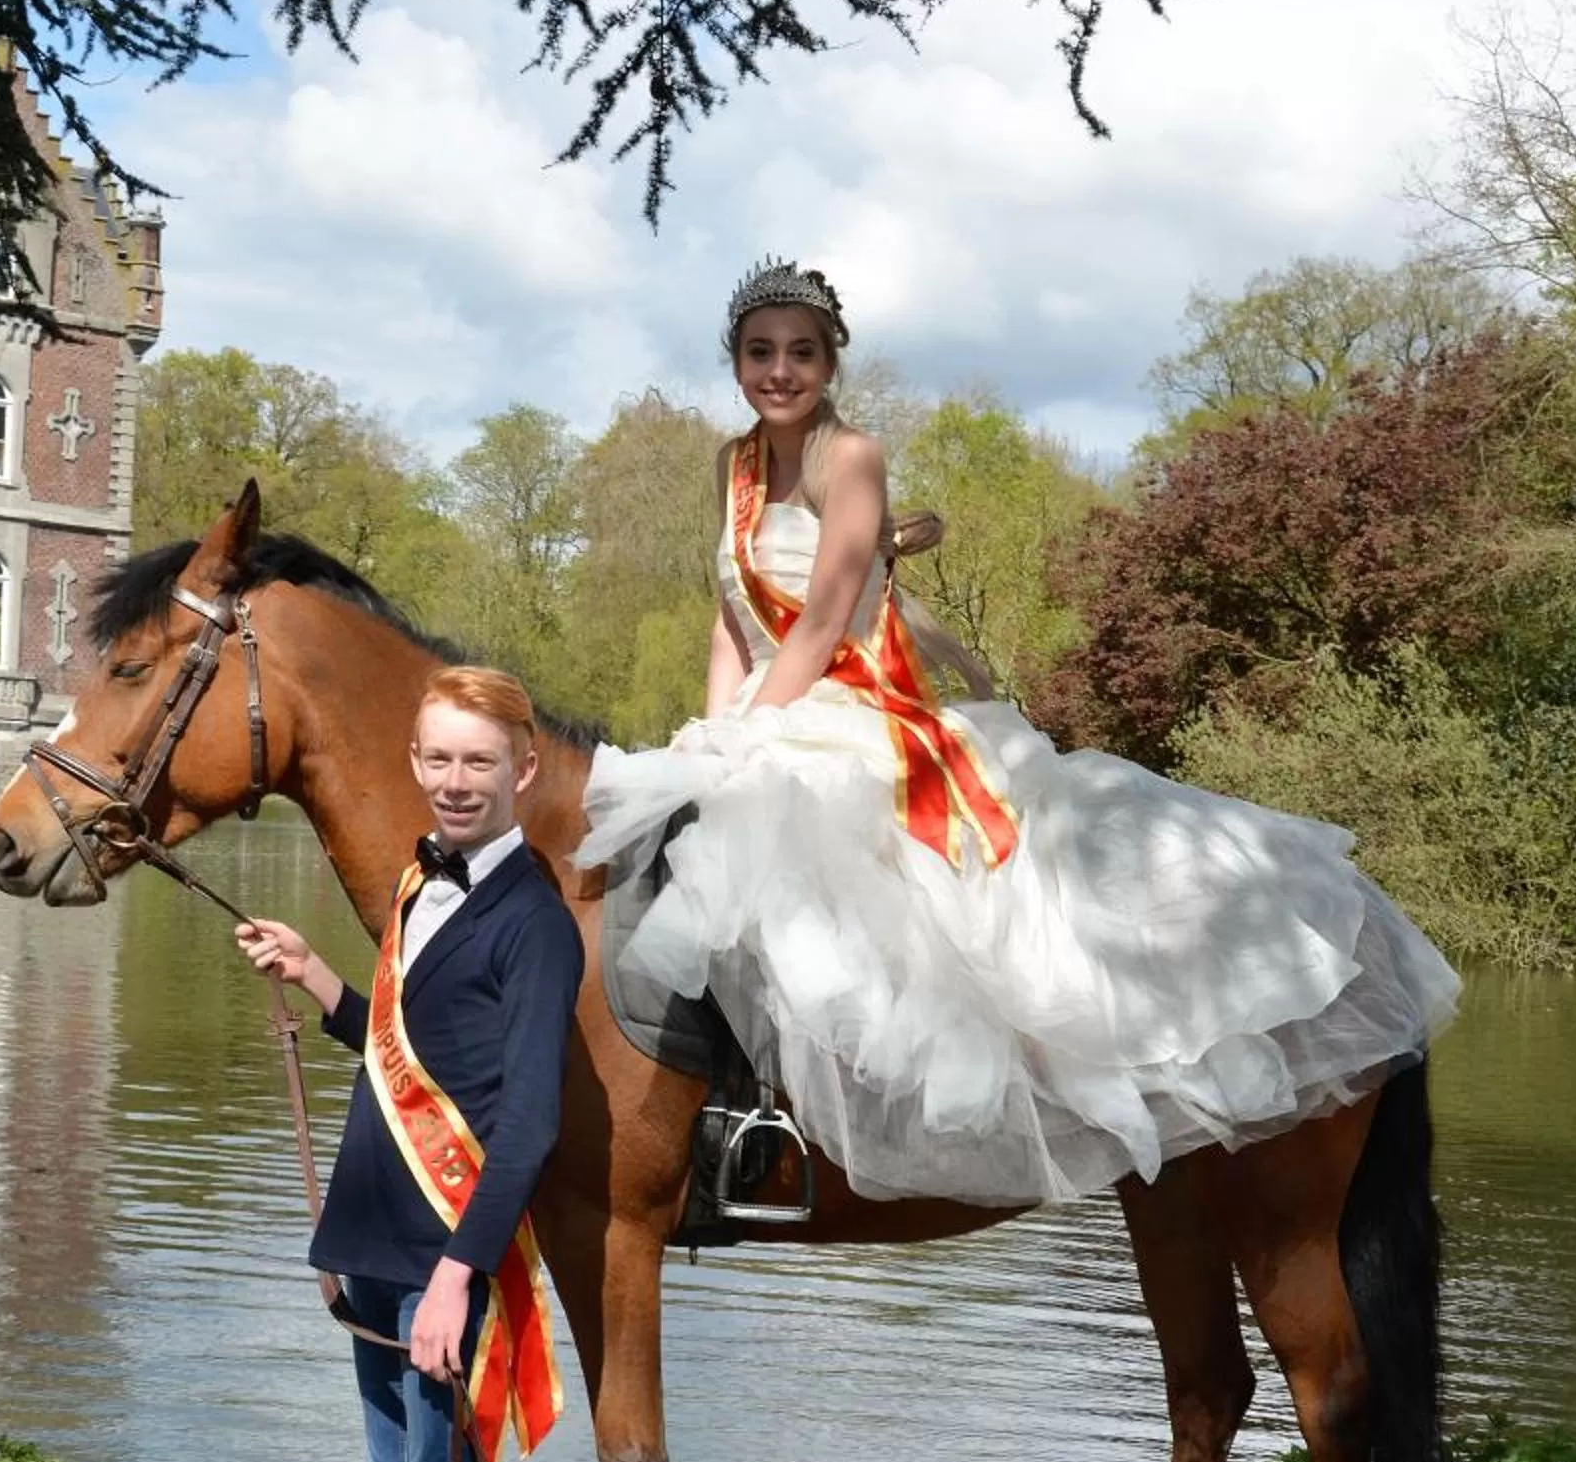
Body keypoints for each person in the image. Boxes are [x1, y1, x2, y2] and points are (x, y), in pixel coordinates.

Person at [574, 259, 1461, 1207]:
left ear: (831, 364)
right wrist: (711, 731)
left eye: (800, 353)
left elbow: (826, 620)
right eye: (760, 352)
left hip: (851, 705)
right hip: (762, 702)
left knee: (831, 853)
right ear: (737, 361)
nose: (778, 371)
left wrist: (749, 735)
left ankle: (886, 1103)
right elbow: (727, 618)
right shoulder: (733, 465)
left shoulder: (852, 458)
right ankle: (730, 1109)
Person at [235, 664, 585, 1462]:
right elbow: (404, 1049)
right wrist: (321, 977)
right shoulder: (415, 885)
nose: (452, 780)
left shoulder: (534, 922)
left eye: (477, 761)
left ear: (521, 771)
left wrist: (457, 1274)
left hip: (446, 1264)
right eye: (436, 757)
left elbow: (528, 1121)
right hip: (377, 1241)